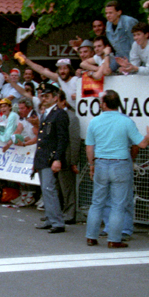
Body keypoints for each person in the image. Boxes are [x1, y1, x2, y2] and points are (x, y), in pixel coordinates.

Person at [85, 90, 149, 248]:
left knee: (97, 202)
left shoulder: (94, 122)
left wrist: (92, 165)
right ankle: (114, 239)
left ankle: (91, 236)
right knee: (119, 204)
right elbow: (142, 144)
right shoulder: (126, 121)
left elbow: (90, 147)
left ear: (104, 104)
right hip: (120, 163)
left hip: (101, 163)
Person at [33, 83, 69, 234]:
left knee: (49, 189)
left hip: (50, 156)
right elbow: (42, 139)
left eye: (47, 96)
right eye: (43, 96)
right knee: (45, 189)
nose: (44, 99)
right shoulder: (46, 113)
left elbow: (62, 139)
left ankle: (57, 221)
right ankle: (50, 218)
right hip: (43, 156)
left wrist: (57, 158)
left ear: (55, 97)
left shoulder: (59, 113)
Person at [56, 89, 80, 224]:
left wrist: (73, 160)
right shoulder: (54, 115)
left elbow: (74, 140)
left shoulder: (71, 117)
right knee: (57, 187)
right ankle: (57, 213)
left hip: (66, 156)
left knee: (67, 188)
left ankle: (70, 214)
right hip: (55, 157)